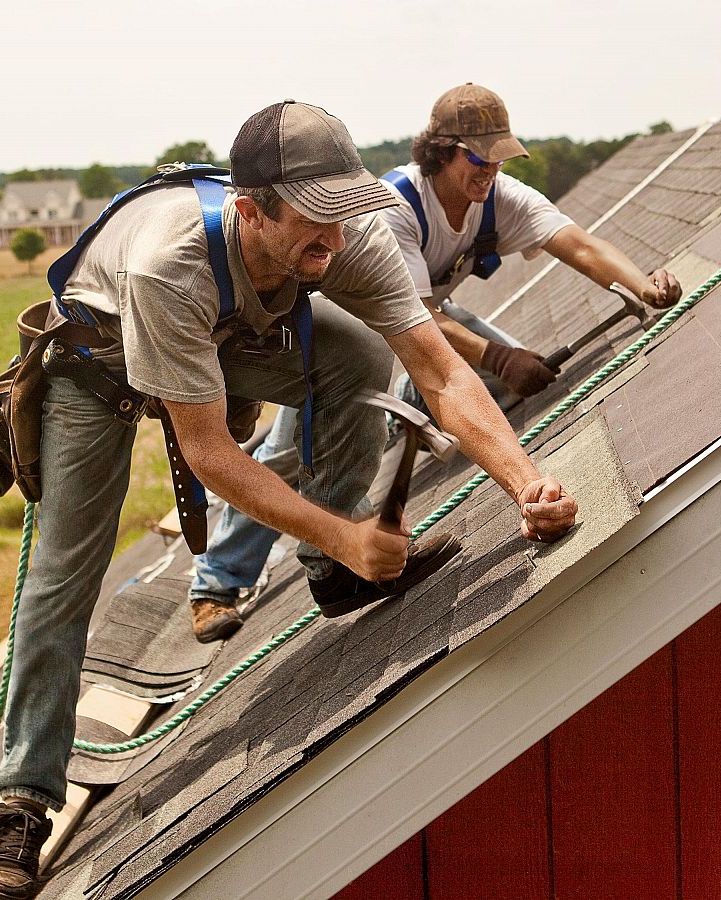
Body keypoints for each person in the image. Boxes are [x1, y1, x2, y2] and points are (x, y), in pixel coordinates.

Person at [0, 100, 578, 900]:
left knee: (358, 353)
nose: (334, 242)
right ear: (250, 212)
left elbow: (440, 369)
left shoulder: (337, 237)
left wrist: (524, 483)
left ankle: (332, 571)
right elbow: (210, 452)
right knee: (63, 575)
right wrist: (355, 530)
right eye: (314, 225)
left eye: (342, 218)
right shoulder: (170, 263)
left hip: (217, 332)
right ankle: (23, 801)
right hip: (99, 361)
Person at [187, 84, 679, 632]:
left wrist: (643, 287)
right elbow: (425, 323)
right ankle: (217, 583)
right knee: (288, 451)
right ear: (441, 152)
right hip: (347, 338)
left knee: (498, 387)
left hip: (422, 328)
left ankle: (397, 413)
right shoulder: (395, 207)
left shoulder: (500, 200)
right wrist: (497, 354)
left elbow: (580, 246)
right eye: (479, 155)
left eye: (500, 156)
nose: (491, 167)